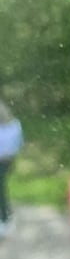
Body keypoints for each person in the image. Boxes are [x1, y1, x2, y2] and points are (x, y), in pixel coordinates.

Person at [0, 101, 21, 235]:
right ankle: (5, 215)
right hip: (8, 160)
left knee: (1, 189)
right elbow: (18, 143)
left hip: (4, 160)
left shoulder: (12, 126)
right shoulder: (15, 125)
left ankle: (5, 216)